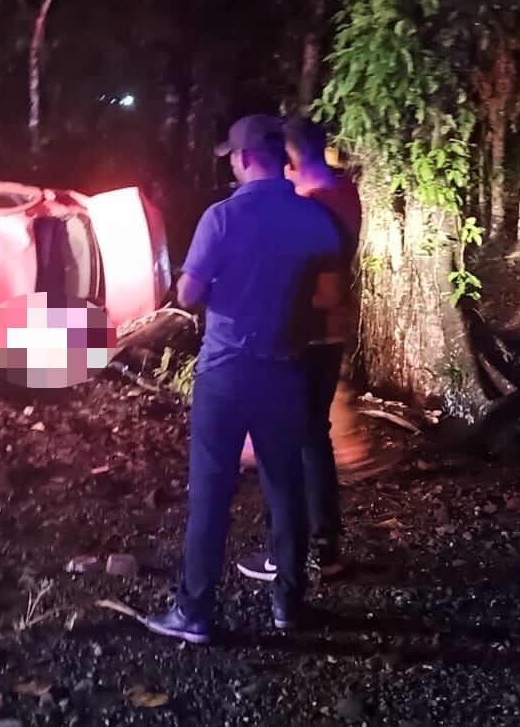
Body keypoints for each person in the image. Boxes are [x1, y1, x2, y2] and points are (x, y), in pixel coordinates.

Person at [144, 115, 344, 644]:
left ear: (248, 157)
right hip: (285, 370)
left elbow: (187, 295)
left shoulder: (221, 218)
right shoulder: (314, 219)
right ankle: (288, 605)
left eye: (232, 155)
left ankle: (194, 612)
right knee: (286, 488)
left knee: (211, 491)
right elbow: (331, 285)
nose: (230, 163)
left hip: (226, 372)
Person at [236, 116, 362, 584]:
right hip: (329, 333)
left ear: (288, 159)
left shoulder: (308, 208)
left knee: (285, 442)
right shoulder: (345, 194)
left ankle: (284, 554)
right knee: (313, 437)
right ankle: (325, 548)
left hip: (298, 334)